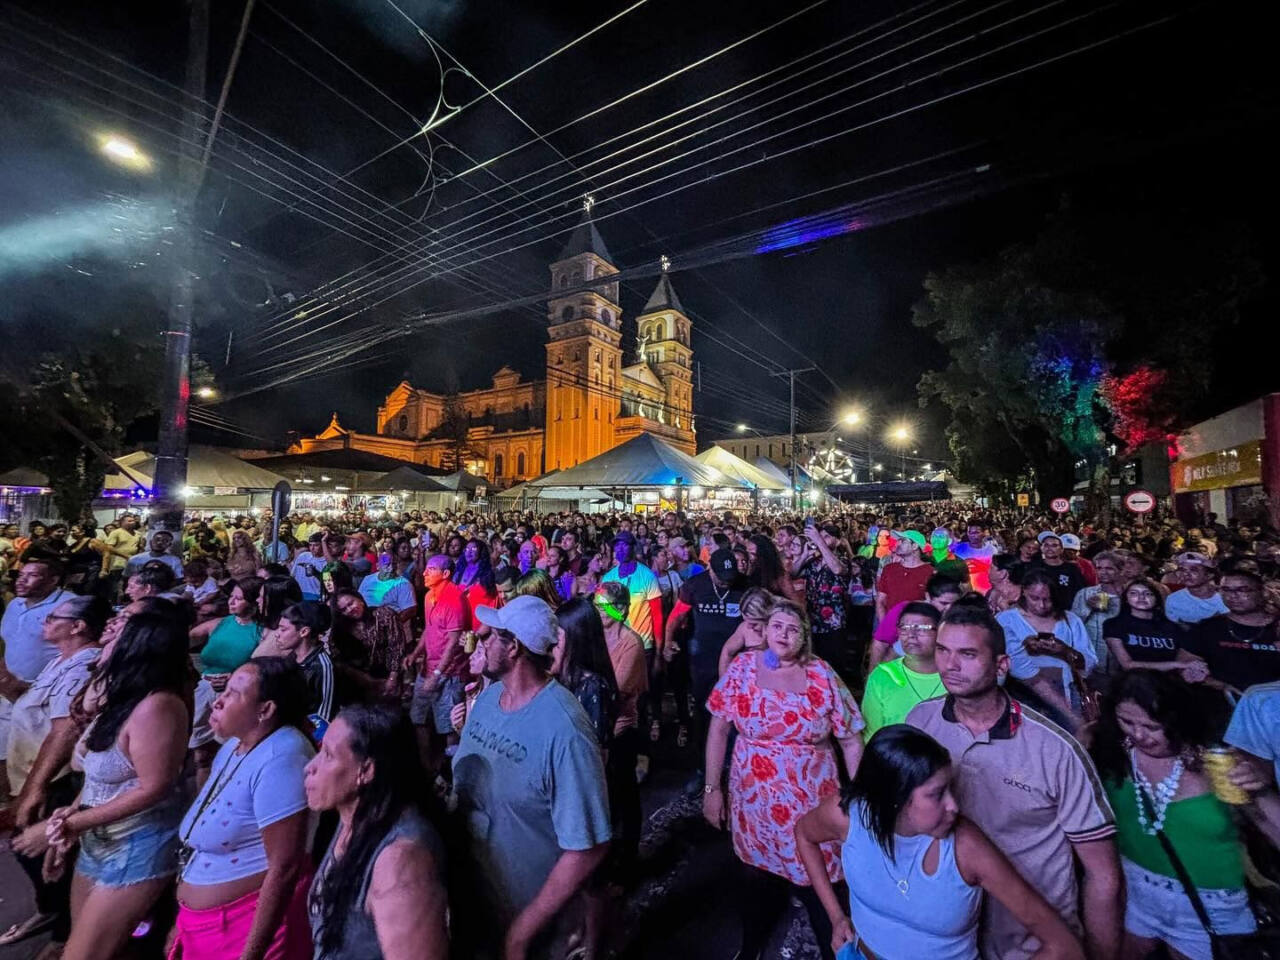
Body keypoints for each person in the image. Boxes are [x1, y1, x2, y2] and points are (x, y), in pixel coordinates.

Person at [907, 605, 1122, 960]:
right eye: (943, 650)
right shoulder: (920, 721)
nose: (950, 665)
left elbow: (1103, 875)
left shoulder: (1055, 749)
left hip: (1031, 941)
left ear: (1002, 665)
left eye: (968, 654)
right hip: (948, 931)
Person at [796, 725, 1085, 960]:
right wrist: (836, 917)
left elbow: (1063, 945)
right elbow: (804, 834)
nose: (954, 806)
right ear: (895, 798)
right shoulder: (848, 814)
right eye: (937, 794)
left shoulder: (966, 848)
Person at [451, 595, 612, 958]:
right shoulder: (491, 699)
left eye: (492, 636)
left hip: (530, 919)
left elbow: (587, 848)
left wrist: (523, 931)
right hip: (478, 900)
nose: (482, 640)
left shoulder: (565, 730)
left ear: (514, 649)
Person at [704, 598, 865, 960]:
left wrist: (856, 799)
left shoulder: (822, 675)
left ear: (804, 637)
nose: (783, 634)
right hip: (754, 802)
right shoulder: (743, 668)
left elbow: (851, 739)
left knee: (822, 883)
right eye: (776, 626)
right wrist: (712, 789)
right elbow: (718, 728)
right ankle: (751, 948)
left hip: (811, 805)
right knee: (754, 879)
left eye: (792, 629)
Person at [1090, 671, 1277, 960]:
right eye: (1127, 722)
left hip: (1213, 909)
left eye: (1152, 726)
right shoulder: (1113, 755)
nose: (1139, 735)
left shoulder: (1215, 766)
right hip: (1137, 895)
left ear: (1178, 719)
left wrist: (1262, 792)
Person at [44, 611, 191, 960]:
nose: (108, 633)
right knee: (90, 944)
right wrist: (74, 811)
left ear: (138, 646)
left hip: (136, 847)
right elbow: (99, 774)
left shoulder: (158, 707)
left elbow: (155, 786)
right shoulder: (122, 698)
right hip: (100, 839)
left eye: (119, 631)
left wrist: (79, 821)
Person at [171, 657, 315, 960]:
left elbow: (285, 867)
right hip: (205, 923)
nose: (219, 701)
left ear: (265, 710)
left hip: (240, 928)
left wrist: (251, 953)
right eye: (224, 690)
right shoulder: (233, 747)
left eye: (234, 693)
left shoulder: (283, 756)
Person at [1, 595, 109, 947]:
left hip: (53, 778)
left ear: (77, 626)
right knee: (32, 850)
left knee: (44, 853)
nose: (45, 622)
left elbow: (63, 731)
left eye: (53, 618)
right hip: (36, 773)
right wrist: (5, 680)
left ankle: (64, 933)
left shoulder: (82, 667)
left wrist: (34, 789)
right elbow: (34, 707)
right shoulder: (62, 661)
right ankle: (52, 915)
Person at [304, 705, 448, 960]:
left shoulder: (401, 862)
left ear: (366, 771)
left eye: (328, 755)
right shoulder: (352, 816)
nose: (310, 767)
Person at [663, 548, 744, 757]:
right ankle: (702, 764)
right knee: (703, 709)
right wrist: (667, 642)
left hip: (737, 661)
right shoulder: (695, 585)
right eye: (722, 579)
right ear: (711, 570)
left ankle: (732, 762)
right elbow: (676, 616)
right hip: (703, 660)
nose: (727, 583)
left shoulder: (746, 585)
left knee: (735, 712)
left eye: (730, 578)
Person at [1, 556, 71, 790]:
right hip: (9, 689)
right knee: (6, 750)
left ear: (53, 580)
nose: (22, 581)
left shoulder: (69, 606)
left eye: (32, 576)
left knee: (36, 757)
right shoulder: (15, 604)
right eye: (21, 575)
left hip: (43, 695)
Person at [997, 569, 1098, 728]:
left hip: (1069, 695)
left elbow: (1090, 662)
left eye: (1047, 599)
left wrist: (1064, 651)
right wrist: (1025, 647)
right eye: (1034, 598)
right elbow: (1013, 664)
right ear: (1023, 591)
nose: (1041, 605)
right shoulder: (1007, 620)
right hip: (1022, 697)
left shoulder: (1070, 621)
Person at [406, 554, 470, 773]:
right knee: (419, 718)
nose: (424, 572)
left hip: (450, 672)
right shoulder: (429, 596)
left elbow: (453, 641)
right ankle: (427, 768)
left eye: (431, 569)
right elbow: (429, 629)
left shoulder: (454, 598)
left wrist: (438, 674)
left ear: (445, 574)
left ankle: (452, 774)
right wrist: (416, 653)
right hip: (429, 667)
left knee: (450, 726)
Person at [1184, 570, 1280, 695]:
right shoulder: (1208, 627)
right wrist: (1216, 684)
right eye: (1226, 590)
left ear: (1263, 592)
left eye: (1242, 590)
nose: (1233, 596)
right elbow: (1186, 662)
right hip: (1223, 702)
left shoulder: (1277, 626)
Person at [860, 602, 945, 738]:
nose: (911, 634)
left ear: (940, 631)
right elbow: (872, 734)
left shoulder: (954, 675)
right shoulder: (882, 676)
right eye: (904, 628)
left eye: (922, 628)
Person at [1103, 577, 1207, 680]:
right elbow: (1128, 665)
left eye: (1148, 593)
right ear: (1126, 598)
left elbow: (1184, 655)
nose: (1141, 597)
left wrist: (1193, 667)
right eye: (1134, 593)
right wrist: (1177, 665)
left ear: (1156, 598)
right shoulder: (1114, 624)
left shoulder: (1172, 627)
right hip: (1133, 683)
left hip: (1169, 683)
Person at [552, 597, 619, 748]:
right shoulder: (560, 678)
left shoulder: (593, 688)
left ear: (575, 641)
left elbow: (597, 751)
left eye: (557, 637)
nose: (552, 644)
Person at [798, 522, 856, 685]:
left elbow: (837, 570)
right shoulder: (813, 560)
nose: (821, 539)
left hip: (834, 623)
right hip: (812, 619)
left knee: (835, 664)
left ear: (838, 541)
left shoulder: (844, 560)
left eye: (826, 537)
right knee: (815, 662)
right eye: (820, 536)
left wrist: (819, 541)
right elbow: (794, 572)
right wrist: (804, 555)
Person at [868, 573, 964, 670]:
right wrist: (873, 677)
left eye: (954, 604)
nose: (949, 608)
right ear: (928, 596)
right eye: (943, 603)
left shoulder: (959, 618)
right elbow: (880, 645)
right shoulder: (905, 610)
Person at [275, 601, 337, 734]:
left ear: (304, 631)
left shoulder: (323, 667)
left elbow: (323, 716)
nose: (277, 634)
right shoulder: (291, 658)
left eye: (283, 629)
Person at [190, 577, 263, 687]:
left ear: (253, 603)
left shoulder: (262, 631)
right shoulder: (220, 623)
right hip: (204, 685)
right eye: (231, 596)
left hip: (240, 689)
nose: (231, 602)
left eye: (238, 598)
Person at [1070, 550, 1127, 670]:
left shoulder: (1130, 595)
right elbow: (1073, 626)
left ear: (1121, 570)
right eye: (1099, 568)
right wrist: (1088, 608)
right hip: (1091, 660)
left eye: (1109, 568)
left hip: (1120, 662)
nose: (1103, 572)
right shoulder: (1085, 593)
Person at [716, 586, 773, 676]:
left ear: (767, 617)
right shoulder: (744, 628)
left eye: (754, 624)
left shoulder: (782, 631)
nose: (749, 627)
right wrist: (723, 684)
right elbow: (727, 652)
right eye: (746, 621)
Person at [1164, 553, 1228, 625]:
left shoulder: (1227, 597)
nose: (1186, 574)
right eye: (1182, 570)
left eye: (1193, 570)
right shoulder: (1174, 599)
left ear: (1209, 575)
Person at [1031, 532, 1088, 611]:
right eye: (1046, 545)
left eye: (1054, 545)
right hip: (1038, 613)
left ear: (1061, 549)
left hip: (1065, 614)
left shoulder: (1072, 569)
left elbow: (1081, 594)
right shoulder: (1034, 567)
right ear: (1041, 548)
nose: (1049, 548)